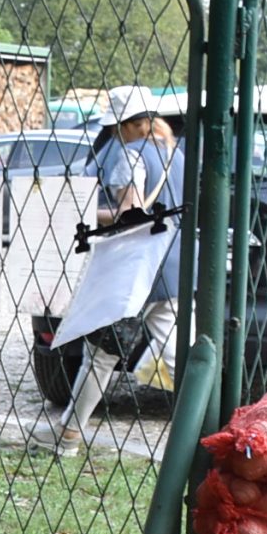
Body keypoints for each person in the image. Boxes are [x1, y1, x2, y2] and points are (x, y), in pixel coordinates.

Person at [50, 85, 182, 459]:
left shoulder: (129, 154)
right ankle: (212, 431)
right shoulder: (176, 153)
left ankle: (69, 437)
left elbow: (130, 214)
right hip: (175, 263)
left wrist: (80, 213)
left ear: (128, 125)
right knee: (175, 355)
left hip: (138, 270)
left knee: (102, 354)